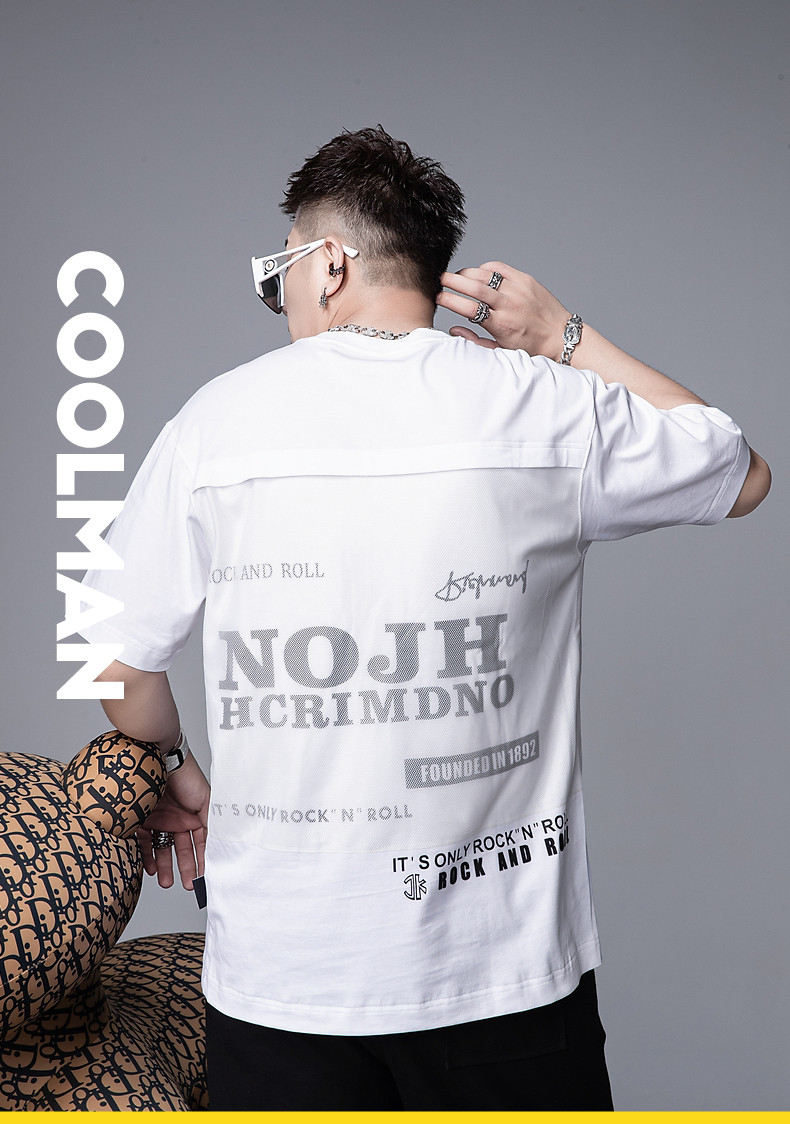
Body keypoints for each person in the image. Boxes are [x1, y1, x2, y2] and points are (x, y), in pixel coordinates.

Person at [81, 126, 770, 1110]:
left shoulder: (213, 426)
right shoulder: (541, 406)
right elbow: (738, 471)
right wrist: (562, 337)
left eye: (279, 277)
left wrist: (177, 765)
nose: (282, 303)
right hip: (505, 978)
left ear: (327, 265)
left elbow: (115, 658)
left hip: (285, 982)